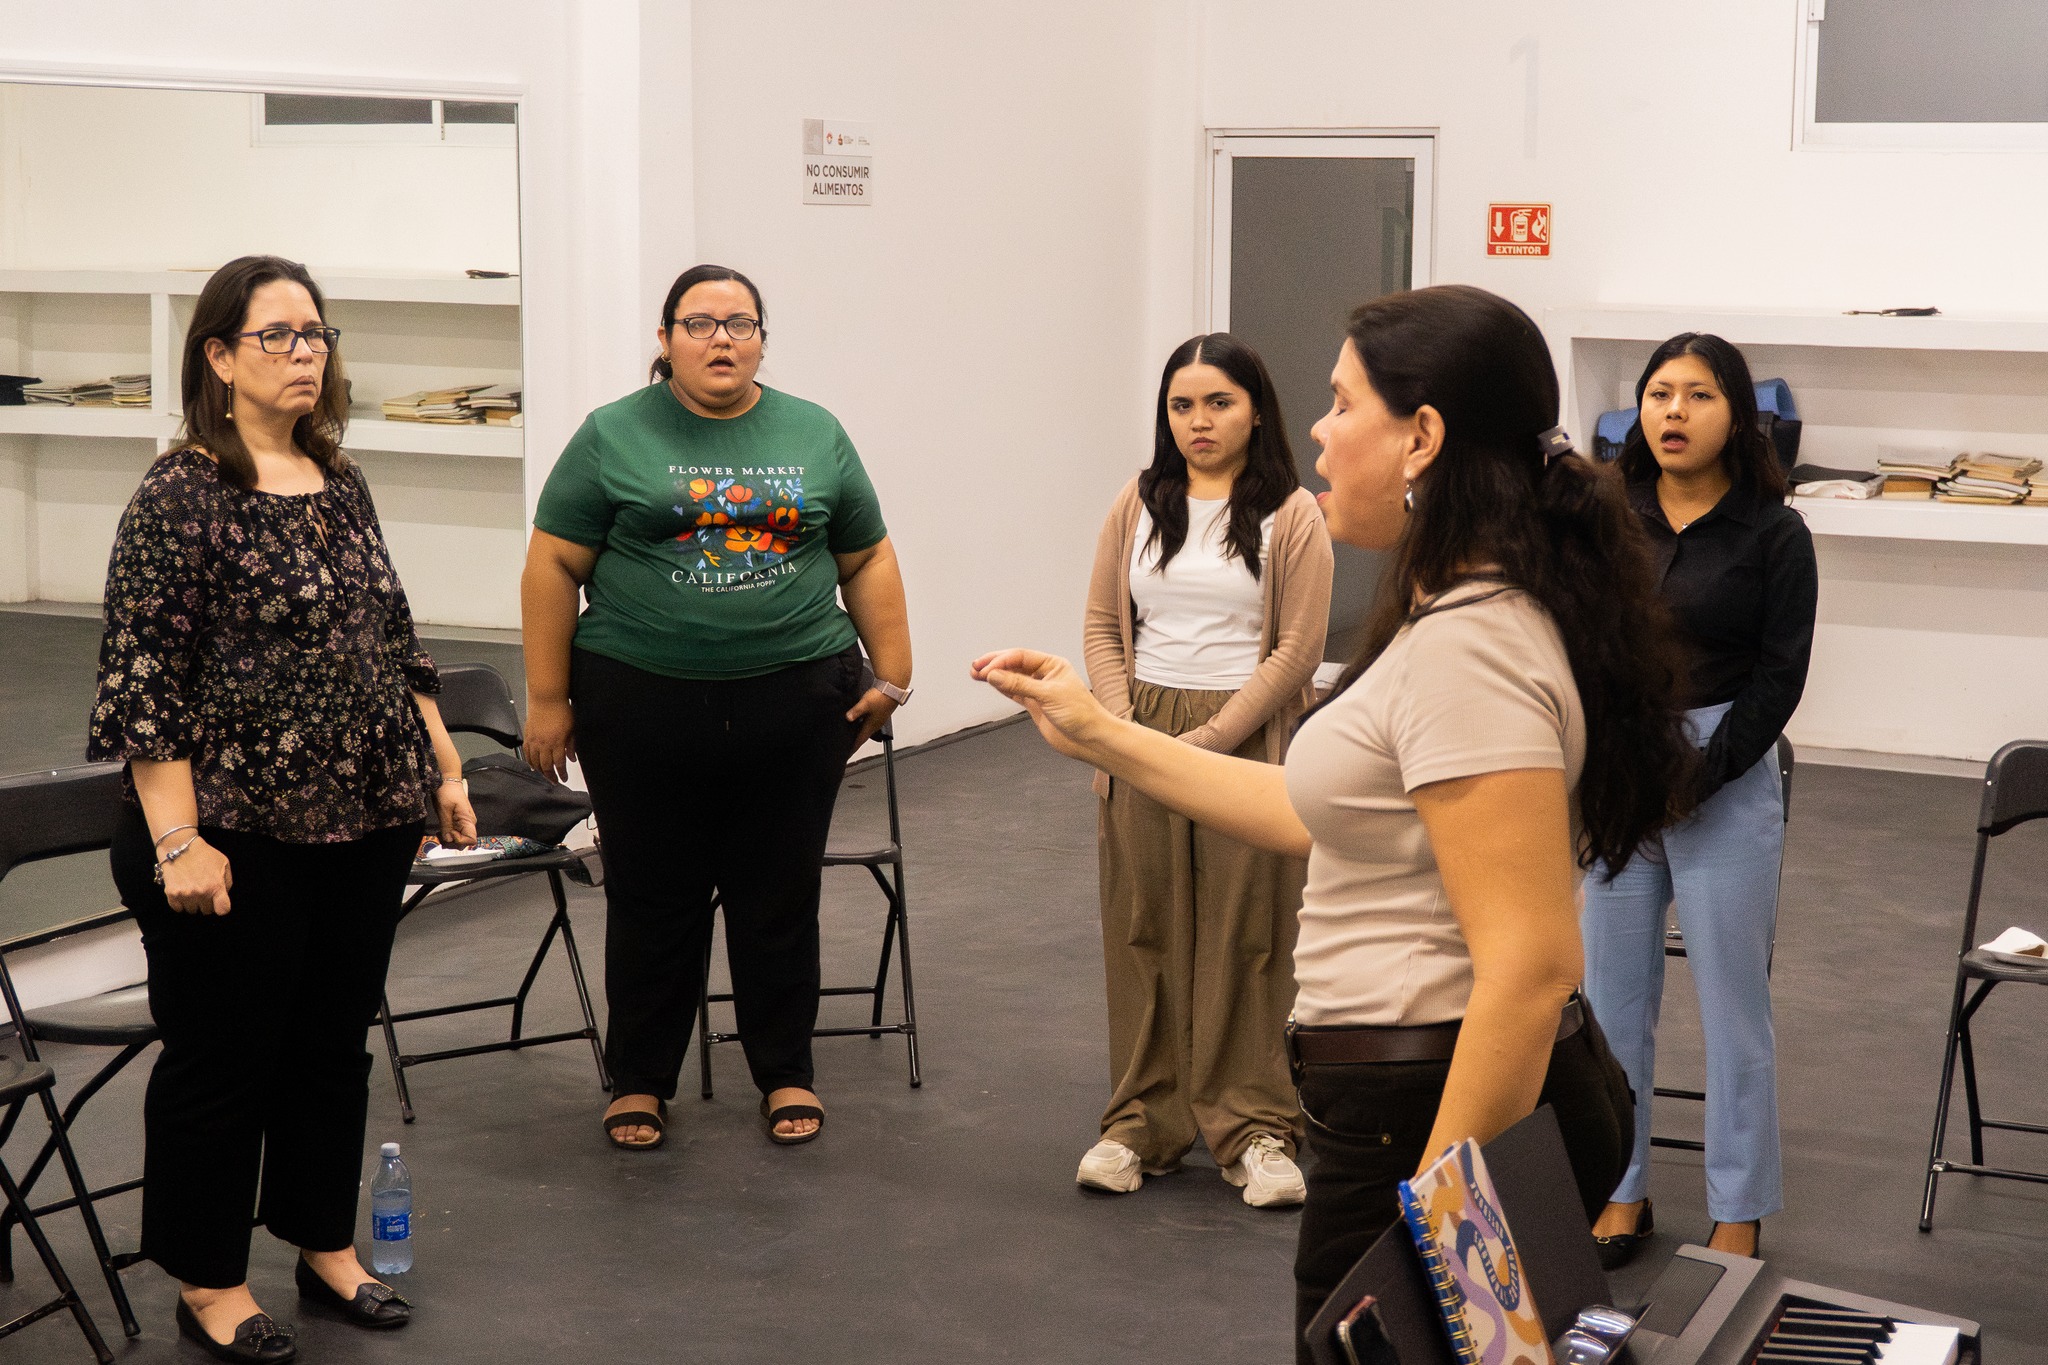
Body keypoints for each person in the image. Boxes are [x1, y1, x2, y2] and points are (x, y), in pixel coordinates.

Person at [974, 284, 1696, 1361]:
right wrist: (1098, 733)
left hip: (1427, 1108)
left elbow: (1528, 968)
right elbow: (1312, 811)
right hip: (1412, 1097)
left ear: (1421, 438)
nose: (1315, 427)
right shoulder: (1450, 610)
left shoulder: (1472, 645)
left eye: (1339, 401)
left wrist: (1436, 1231)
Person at [92, 255, 476, 1363]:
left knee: (329, 1047)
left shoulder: (336, 478)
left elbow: (394, 638)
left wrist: (442, 764)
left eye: (317, 334)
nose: (306, 353)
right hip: (232, 834)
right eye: (278, 336)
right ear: (217, 356)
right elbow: (141, 686)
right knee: (225, 1060)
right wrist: (178, 840)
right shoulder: (180, 497)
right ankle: (208, 1279)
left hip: (363, 818)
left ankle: (321, 1242)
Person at [523, 264, 911, 1150]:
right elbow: (551, 565)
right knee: (654, 895)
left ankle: (785, 1071)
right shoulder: (611, 434)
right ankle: (640, 1080)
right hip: (640, 701)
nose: (721, 338)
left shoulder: (814, 431)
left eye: (740, 322)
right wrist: (548, 696)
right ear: (664, 341)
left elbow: (867, 554)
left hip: (796, 696)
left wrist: (893, 675)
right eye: (699, 323)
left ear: (763, 339)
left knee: (778, 892)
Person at [1076, 333, 1331, 1206]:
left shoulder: (1292, 513)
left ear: (1256, 408)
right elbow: (1106, 629)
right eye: (1182, 405)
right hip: (1144, 727)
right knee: (1142, 927)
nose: (1198, 422)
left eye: (1218, 402)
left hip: (1246, 739)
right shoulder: (1136, 504)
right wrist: (1122, 729)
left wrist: (1210, 741)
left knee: (1248, 935)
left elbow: (1297, 652)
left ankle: (1257, 1128)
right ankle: (1138, 1124)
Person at [1581, 334, 1818, 1266]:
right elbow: (1583, 644)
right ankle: (1618, 1188)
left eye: (1699, 395)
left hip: (1725, 768)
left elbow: (1779, 675)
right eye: (1660, 393)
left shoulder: (1774, 532)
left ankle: (1739, 1205)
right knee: (1608, 1003)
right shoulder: (1607, 518)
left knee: (1732, 1004)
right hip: (1618, 769)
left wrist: (1698, 773)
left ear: (1738, 417)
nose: (1674, 411)